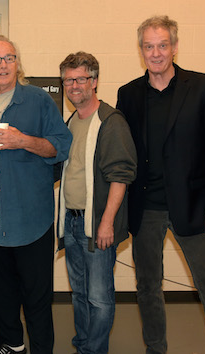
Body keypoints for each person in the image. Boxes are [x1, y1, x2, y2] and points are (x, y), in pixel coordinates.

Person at [116, 15, 205, 354]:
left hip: (195, 207)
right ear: (141, 50)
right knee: (148, 288)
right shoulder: (127, 94)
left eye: (162, 45)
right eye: (148, 46)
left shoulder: (203, 87)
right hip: (146, 208)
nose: (155, 53)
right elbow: (124, 153)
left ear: (173, 46)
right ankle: (156, 349)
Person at [0, 35, 72, 354]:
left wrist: (23, 140)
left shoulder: (38, 101)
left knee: (37, 297)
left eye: (9, 58)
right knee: (0, 293)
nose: (3, 64)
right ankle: (11, 345)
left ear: (17, 64)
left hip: (31, 220)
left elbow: (60, 146)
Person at [57, 52, 137, 354]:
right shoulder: (71, 122)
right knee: (79, 293)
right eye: (69, 80)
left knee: (99, 297)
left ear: (94, 81)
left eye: (81, 79)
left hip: (96, 225)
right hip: (73, 221)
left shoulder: (111, 122)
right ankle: (83, 344)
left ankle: (94, 350)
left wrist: (106, 222)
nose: (74, 85)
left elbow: (121, 175)